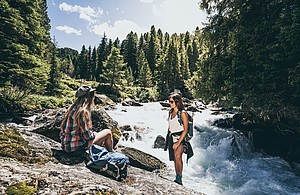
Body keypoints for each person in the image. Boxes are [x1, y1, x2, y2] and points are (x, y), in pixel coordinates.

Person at [60, 85, 113, 156]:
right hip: (76, 149)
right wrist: (96, 135)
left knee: (98, 134)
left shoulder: (72, 108)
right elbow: (88, 136)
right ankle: (111, 153)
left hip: (66, 146)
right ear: (90, 97)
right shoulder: (83, 112)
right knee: (108, 132)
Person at [164, 92, 193, 185]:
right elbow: (170, 125)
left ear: (177, 102)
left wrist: (178, 142)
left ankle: (179, 178)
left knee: (178, 156)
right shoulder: (170, 112)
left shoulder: (183, 113)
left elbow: (185, 130)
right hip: (172, 137)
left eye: (172, 102)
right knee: (175, 159)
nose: (170, 103)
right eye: (170, 102)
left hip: (180, 138)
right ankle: (177, 175)